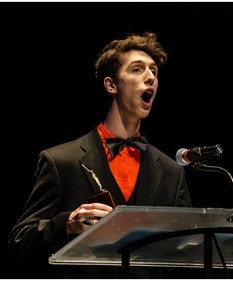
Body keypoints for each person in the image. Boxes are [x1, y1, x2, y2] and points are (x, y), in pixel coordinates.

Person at [8, 31, 192, 278]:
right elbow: (20, 241)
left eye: (154, 72)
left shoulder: (172, 171)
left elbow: (185, 253)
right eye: (137, 69)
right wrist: (67, 225)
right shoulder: (62, 161)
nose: (150, 77)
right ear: (111, 85)